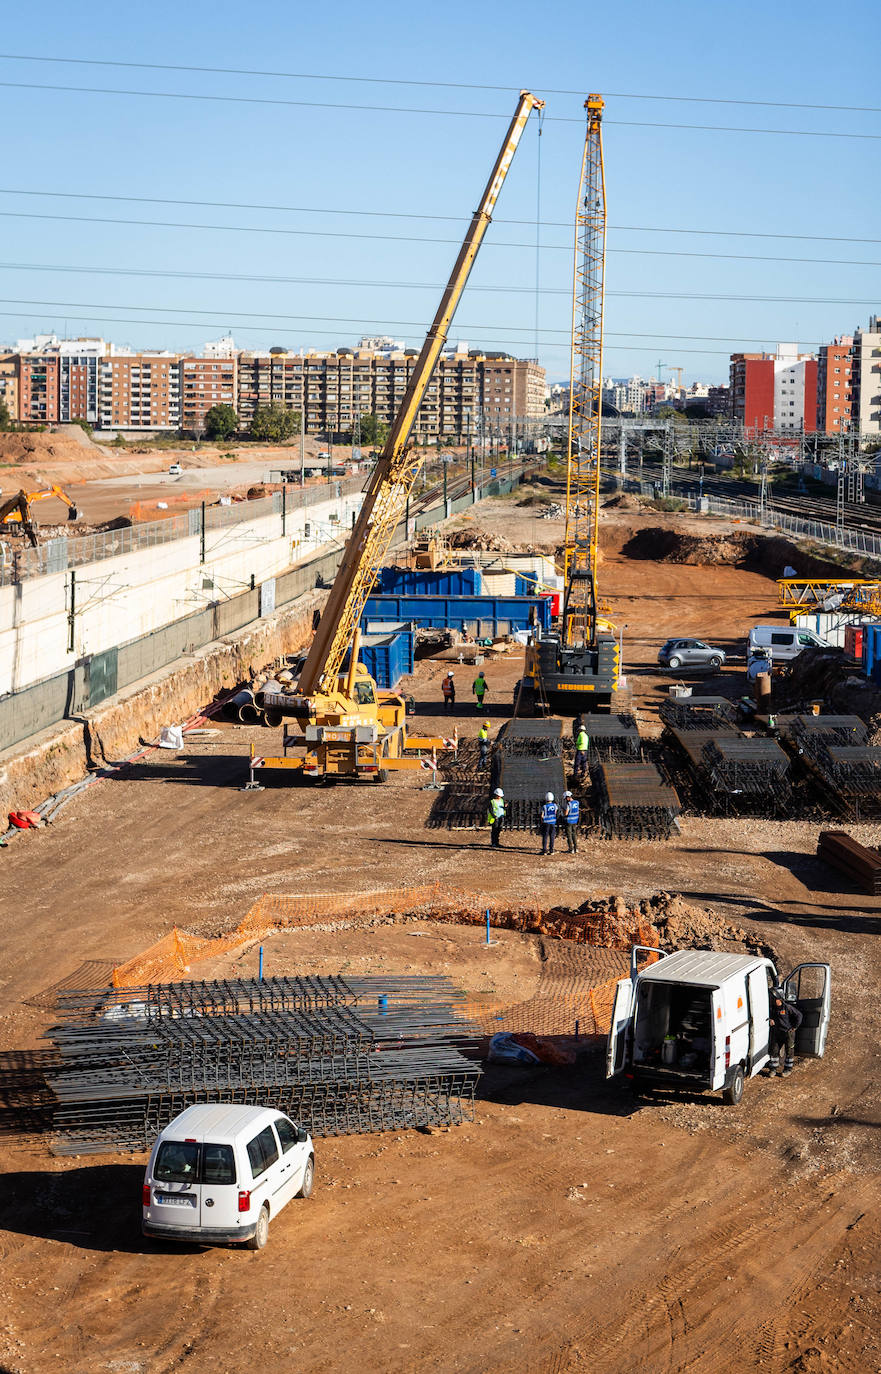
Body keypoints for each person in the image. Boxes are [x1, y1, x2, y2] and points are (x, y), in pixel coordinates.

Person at [768, 987, 803, 1075]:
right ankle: (773, 1069)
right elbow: (768, 1017)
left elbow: (799, 1015)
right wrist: (770, 1020)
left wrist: (795, 1027)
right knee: (774, 1050)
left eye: (773, 998)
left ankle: (787, 1070)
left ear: (779, 998)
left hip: (788, 1033)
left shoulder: (787, 1007)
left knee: (789, 1051)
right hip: (777, 1033)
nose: (772, 999)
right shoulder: (772, 1008)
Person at [540, 791, 557, 855]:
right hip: (553, 822)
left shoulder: (544, 806)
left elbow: (542, 815)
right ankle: (551, 850)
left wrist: (542, 821)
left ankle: (544, 850)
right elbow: (555, 813)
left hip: (546, 822)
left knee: (545, 836)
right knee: (552, 836)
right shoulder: (555, 806)